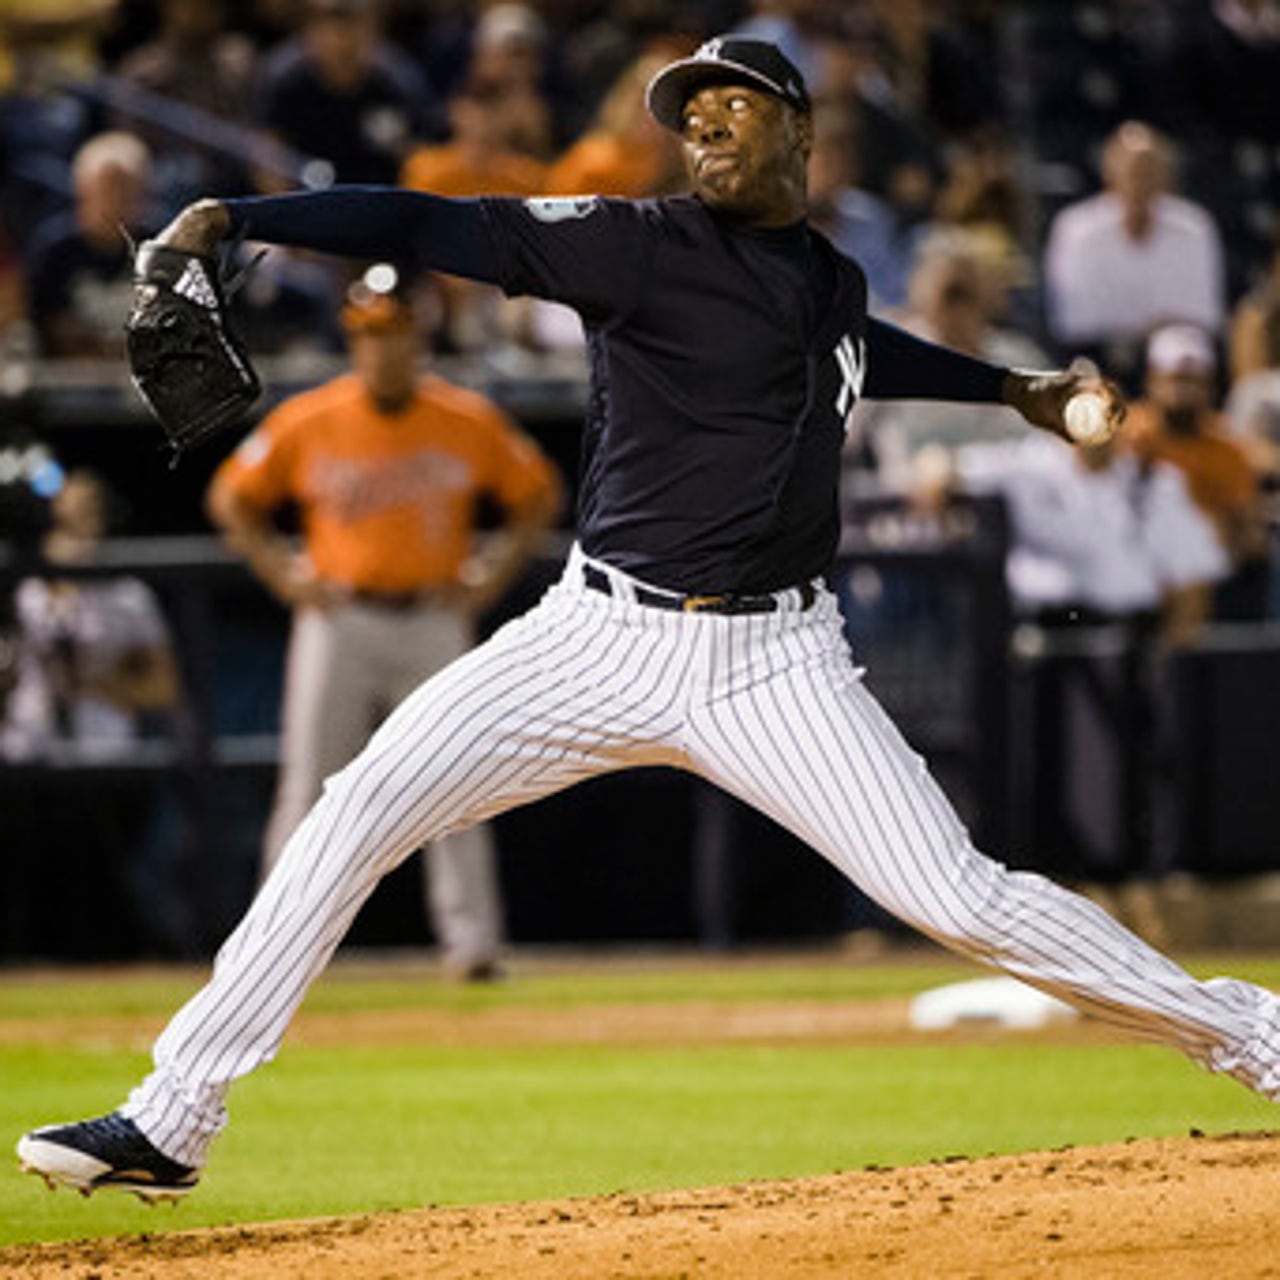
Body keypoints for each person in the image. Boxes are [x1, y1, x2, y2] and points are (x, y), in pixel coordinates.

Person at [17, 36, 1280, 1204]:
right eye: (690, 115)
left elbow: (851, 347)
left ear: (801, 133)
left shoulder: (826, 279)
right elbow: (425, 219)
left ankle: (1253, 1035)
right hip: (592, 638)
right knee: (355, 805)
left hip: (774, 661)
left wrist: (1008, 386)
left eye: (734, 106)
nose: (705, 127)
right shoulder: (633, 243)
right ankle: (174, 1114)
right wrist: (240, 216)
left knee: (960, 896)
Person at [204, 276, 562, 980]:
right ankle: (274, 952)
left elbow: (538, 493)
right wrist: (282, 573)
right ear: (354, 339)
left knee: (457, 784)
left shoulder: (463, 416)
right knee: (306, 788)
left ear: (417, 337)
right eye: (370, 333)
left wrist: (491, 573)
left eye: (394, 331)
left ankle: (474, 948)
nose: (383, 347)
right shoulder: (312, 417)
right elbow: (232, 498)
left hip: (431, 617)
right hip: (339, 616)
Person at [1042, 122, 1226, 389]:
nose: (1140, 179)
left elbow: (1203, 316)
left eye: (1150, 169)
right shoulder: (1076, 228)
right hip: (1097, 357)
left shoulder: (1195, 227)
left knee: (1185, 359)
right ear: (1109, 171)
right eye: (1133, 170)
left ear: (1166, 174)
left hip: (1174, 358)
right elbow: (1072, 321)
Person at [1124, 323, 1269, 622]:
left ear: (1210, 386)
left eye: (1193, 381)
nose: (1183, 391)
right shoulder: (1127, 435)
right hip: (1134, 563)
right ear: (1153, 379)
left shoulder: (1228, 450)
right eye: (1175, 379)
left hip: (1208, 574)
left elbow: (1246, 534)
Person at [23, 131, 154, 358]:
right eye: (107, 191)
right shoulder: (56, 253)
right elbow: (44, 326)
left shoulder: (161, 250)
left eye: (127, 191)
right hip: (73, 382)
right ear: (83, 191)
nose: (116, 202)